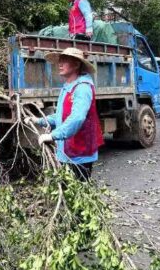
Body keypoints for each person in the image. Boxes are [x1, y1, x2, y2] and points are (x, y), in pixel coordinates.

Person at [25, 47, 104, 181]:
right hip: (68, 150)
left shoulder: (82, 88)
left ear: (77, 64)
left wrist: (52, 135)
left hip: (80, 151)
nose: (60, 64)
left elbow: (77, 118)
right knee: (67, 190)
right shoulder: (68, 86)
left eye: (65, 61)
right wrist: (38, 120)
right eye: (60, 61)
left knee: (79, 190)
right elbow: (61, 116)